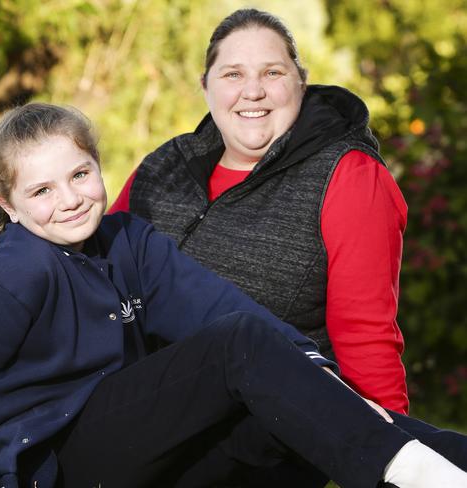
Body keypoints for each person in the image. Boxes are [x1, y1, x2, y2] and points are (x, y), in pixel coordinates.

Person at [0, 103, 467, 488]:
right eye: (41, 191)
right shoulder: (11, 273)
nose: (69, 199)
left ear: (97, 165)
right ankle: (412, 470)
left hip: (129, 452)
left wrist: (322, 379)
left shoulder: (127, 242)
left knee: (288, 413)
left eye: (80, 174)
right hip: (49, 461)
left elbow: (221, 308)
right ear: (8, 205)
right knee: (244, 351)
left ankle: (444, 463)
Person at [110, 8, 409, 413]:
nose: (253, 91)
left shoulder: (349, 176)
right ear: (205, 86)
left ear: (301, 82)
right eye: (232, 74)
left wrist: (393, 453)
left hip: (259, 422)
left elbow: (366, 336)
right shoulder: (165, 165)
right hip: (135, 404)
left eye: (272, 73)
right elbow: (90, 267)